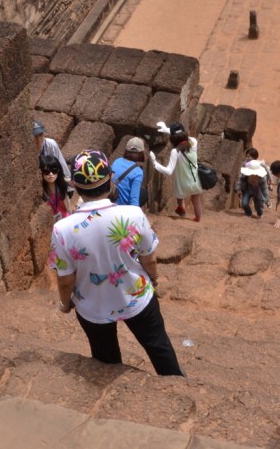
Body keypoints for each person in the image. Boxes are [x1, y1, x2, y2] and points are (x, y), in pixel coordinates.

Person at [49, 150, 184, 376]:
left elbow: (65, 280)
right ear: (110, 178)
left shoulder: (62, 229)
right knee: (158, 345)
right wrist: (154, 279)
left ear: (74, 184)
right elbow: (148, 258)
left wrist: (65, 304)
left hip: (93, 306)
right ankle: (175, 380)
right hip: (137, 296)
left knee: (106, 359)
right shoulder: (133, 214)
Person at [150, 126, 203, 222]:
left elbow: (169, 171)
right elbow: (187, 138)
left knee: (180, 197)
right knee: (196, 201)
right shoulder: (193, 143)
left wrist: (154, 163)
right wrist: (169, 130)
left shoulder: (175, 151)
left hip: (182, 181)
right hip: (195, 179)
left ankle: (182, 212)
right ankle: (197, 219)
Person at [111, 137, 147, 207]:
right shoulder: (138, 172)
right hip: (123, 208)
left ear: (126, 150)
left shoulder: (117, 161)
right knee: (144, 194)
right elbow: (134, 199)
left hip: (111, 202)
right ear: (141, 153)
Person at [40, 154, 73, 220]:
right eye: (46, 172)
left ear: (58, 171)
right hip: (55, 220)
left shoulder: (62, 185)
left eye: (54, 170)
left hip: (66, 218)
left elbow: (68, 206)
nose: (51, 174)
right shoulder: (42, 189)